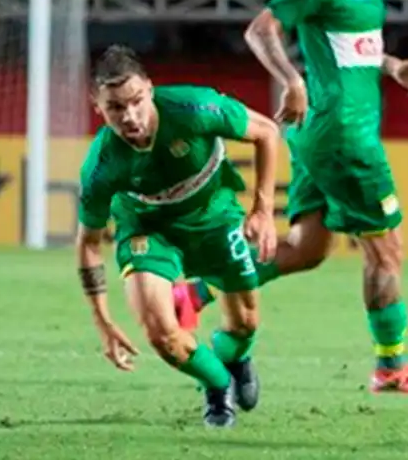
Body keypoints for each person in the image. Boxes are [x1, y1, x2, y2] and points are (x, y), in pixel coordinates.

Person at [171, 0, 408, 395]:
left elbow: (350, 48)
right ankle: (391, 367)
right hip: (346, 137)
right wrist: (294, 81)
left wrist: (392, 68)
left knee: (304, 249)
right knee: (385, 252)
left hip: (323, 134)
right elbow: (260, 30)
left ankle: (196, 291)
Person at [75, 45, 279, 428]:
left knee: (245, 324)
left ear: (150, 89)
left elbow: (266, 132)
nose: (129, 116)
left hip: (214, 218)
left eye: (136, 101)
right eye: (115, 107)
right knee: (161, 334)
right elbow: (87, 244)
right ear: (97, 104)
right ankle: (217, 385)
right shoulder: (100, 165)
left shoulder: (194, 109)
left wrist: (263, 210)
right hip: (148, 231)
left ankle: (234, 357)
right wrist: (102, 321)